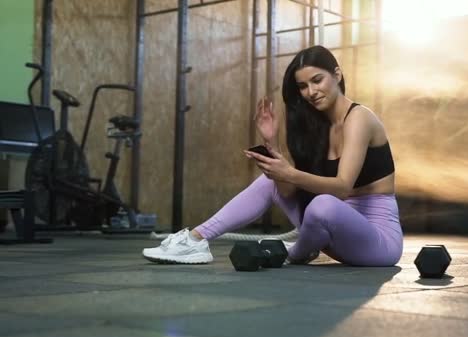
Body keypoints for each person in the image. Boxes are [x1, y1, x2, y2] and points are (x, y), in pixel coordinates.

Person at [142, 45, 403, 266]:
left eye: (317, 80)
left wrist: (290, 172)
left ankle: (297, 253)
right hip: (331, 232)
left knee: (323, 204)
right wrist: (272, 144)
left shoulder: (359, 118)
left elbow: (343, 188)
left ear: (337, 74)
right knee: (272, 181)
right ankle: (196, 240)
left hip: (377, 240)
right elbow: (288, 191)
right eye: (302, 86)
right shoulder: (318, 127)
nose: (310, 92)